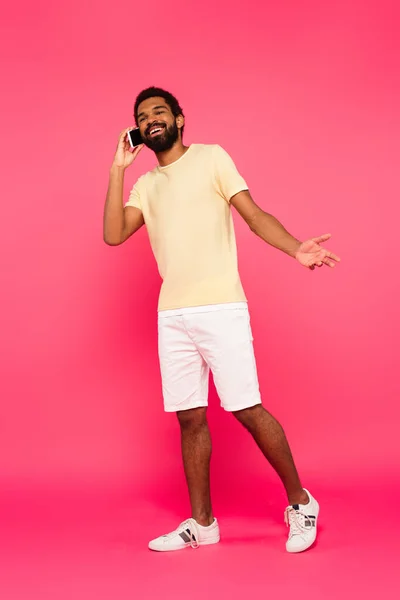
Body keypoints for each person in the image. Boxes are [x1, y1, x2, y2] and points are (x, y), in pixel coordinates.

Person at [103, 86, 340, 554]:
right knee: (190, 419)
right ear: (138, 130)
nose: (151, 119)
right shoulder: (145, 186)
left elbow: (252, 216)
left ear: (179, 119)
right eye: (142, 115)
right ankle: (203, 523)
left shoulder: (212, 158)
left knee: (245, 408)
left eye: (159, 111)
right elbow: (113, 234)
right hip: (172, 314)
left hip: (220, 307)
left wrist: (295, 248)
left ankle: (301, 502)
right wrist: (117, 168)